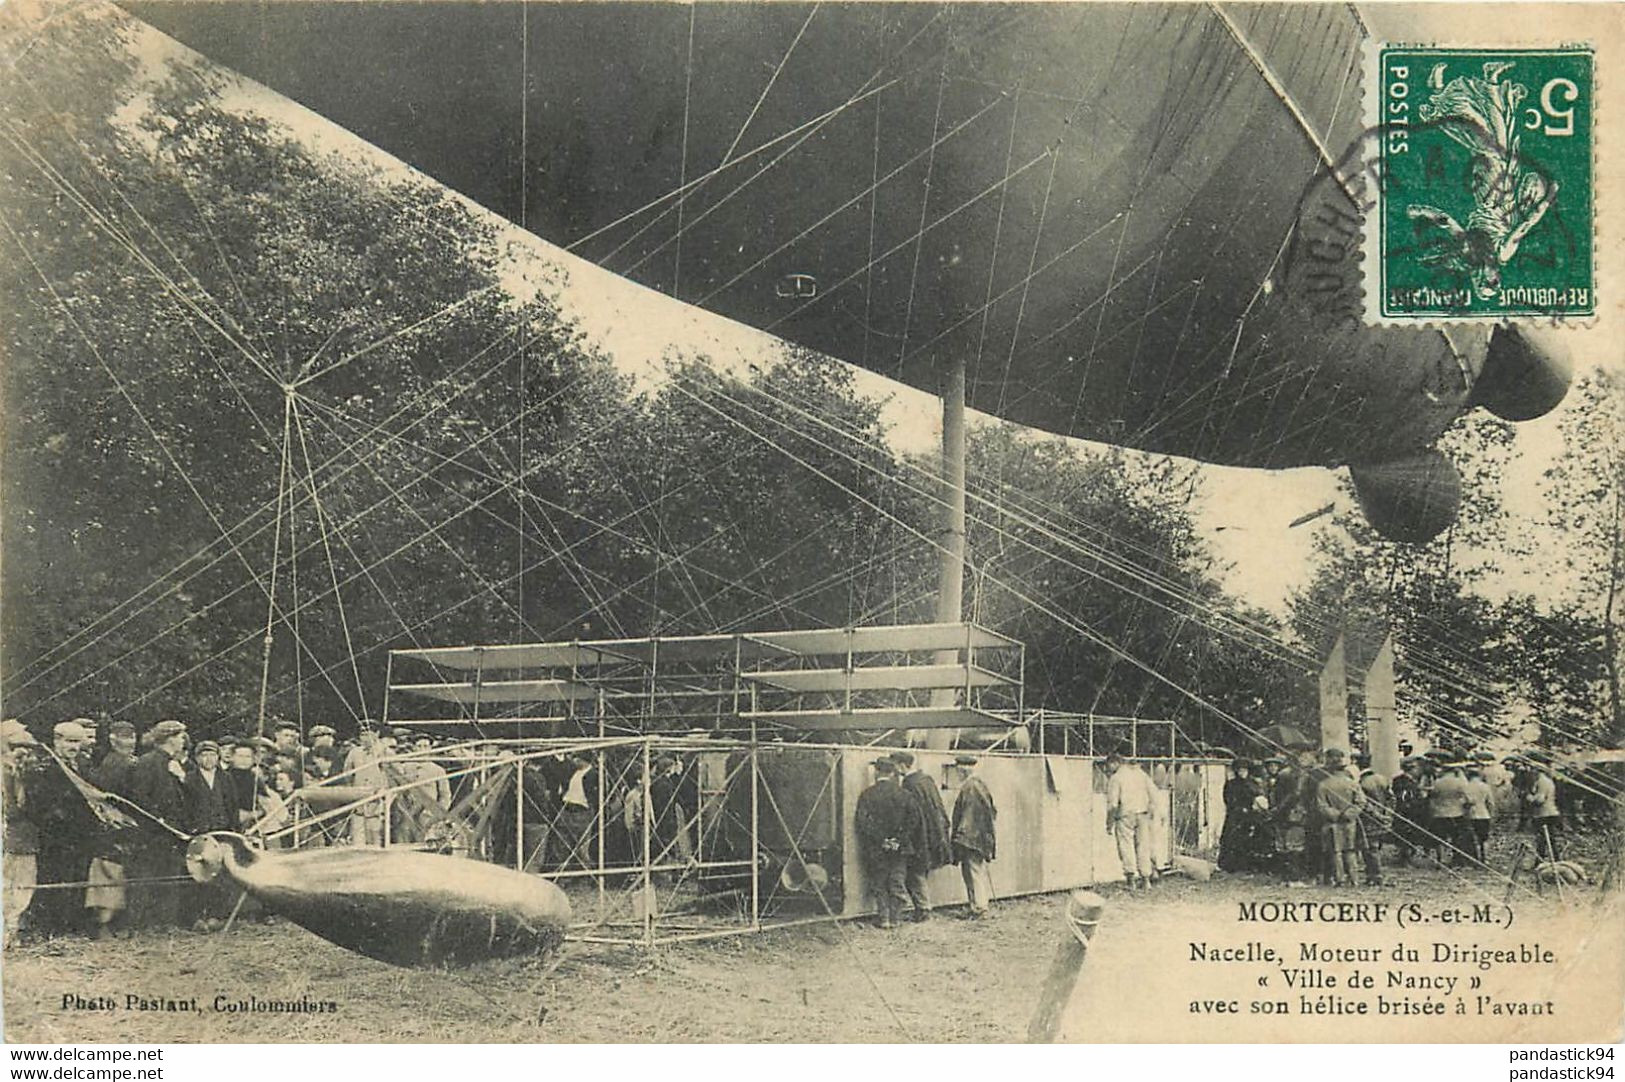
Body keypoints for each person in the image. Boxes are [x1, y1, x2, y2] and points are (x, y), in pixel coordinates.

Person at [27, 720, 99, 935]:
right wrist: (59, 819)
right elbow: (38, 804)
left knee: (79, 877)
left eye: (78, 742)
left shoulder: (82, 766)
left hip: (81, 834)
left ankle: (73, 923)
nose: (74, 747)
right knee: (55, 877)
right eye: (70, 742)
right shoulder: (45, 767)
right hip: (57, 836)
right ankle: (51, 927)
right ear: (57, 740)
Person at [126, 720, 190, 928]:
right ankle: (137, 925)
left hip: (173, 831)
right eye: (180, 737)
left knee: (170, 876)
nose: (183, 741)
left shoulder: (175, 763)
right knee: (146, 877)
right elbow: (139, 796)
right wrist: (157, 819)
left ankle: (166, 923)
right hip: (152, 832)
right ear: (170, 738)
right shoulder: (147, 762)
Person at [852, 758, 919, 929]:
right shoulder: (904, 794)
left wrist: (882, 840)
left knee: (879, 882)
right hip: (899, 848)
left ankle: (884, 919)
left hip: (876, 848)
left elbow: (863, 822)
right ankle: (896, 919)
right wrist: (898, 840)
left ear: (876, 772)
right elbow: (914, 821)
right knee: (897, 881)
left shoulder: (867, 795)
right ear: (892, 773)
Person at [890, 750, 952, 920]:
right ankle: (923, 907)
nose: (894, 769)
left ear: (902, 765)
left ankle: (924, 909)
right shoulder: (926, 780)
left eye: (895, 765)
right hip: (933, 833)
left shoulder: (909, 784)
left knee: (915, 872)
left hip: (919, 836)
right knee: (920, 870)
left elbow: (911, 815)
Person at [2, 720, 42, 947]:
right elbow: (15, 808)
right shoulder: (11, 770)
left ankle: (11, 930)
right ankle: (10, 931)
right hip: (18, 836)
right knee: (19, 882)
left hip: (17, 835)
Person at [950, 755, 996, 918]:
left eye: (958, 770)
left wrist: (962, 836)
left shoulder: (971, 787)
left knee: (973, 872)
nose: (957, 773)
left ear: (963, 769)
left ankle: (980, 908)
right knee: (971, 872)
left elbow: (970, 815)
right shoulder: (978, 785)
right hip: (977, 837)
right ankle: (975, 906)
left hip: (971, 839)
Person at [1104, 751, 1158, 889]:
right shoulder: (1140, 774)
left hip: (1125, 815)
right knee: (1143, 846)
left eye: (1109, 766)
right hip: (1142, 813)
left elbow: (1113, 804)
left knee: (1126, 846)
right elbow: (1154, 793)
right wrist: (1151, 810)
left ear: (1114, 763)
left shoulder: (1116, 778)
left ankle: (1131, 880)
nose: (1108, 769)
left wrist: (1109, 823)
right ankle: (1146, 879)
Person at [1314, 748, 1366, 887]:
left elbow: (1321, 805)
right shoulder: (1353, 783)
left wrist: (1334, 814)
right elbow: (1361, 802)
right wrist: (1349, 813)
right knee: (1350, 850)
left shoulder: (1323, 784)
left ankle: (1340, 879)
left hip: (1332, 823)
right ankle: (1355, 879)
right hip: (1350, 822)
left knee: (1336, 851)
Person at [1218, 759, 1271, 872]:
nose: (1241, 773)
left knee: (1248, 839)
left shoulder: (1253, 784)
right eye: (1239, 770)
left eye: (1244, 770)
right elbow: (1228, 799)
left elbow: (1258, 796)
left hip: (1250, 815)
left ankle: (1246, 864)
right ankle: (1229, 865)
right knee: (1231, 838)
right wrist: (1238, 808)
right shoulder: (1231, 784)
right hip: (1235, 814)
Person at [343, 725, 389, 847]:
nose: (364, 737)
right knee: (357, 835)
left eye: (367, 733)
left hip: (377, 801)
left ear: (377, 733)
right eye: (362, 734)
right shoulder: (355, 752)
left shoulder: (385, 751)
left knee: (375, 835)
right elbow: (347, 773)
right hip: (359, 799)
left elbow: (392, 775)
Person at [1428, 759, 1474, 866]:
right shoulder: (1459, 783)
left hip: (1440, 813)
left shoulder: (1438, 782)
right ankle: (1456, 859)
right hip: (1456, 812)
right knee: (1456, 837)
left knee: (1439, 837)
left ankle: (1440, 859)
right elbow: (1467, 797)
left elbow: (1433, 795)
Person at [1353, 753, 1390, 886]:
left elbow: (1365, 804)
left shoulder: (1362, 783)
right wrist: (1387, 813)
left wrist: (1376, 815)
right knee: (1375, 846)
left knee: (1369, 847)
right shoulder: (1382, 778)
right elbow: (1391, 798)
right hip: (1383, 815)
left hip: (1369, 818)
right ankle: (1374, 873)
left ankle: (1374, 875)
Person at [1520, 758, 1564, 861]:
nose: (1531, 772)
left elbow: (1540, 800)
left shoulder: (1542, 782)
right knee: (1545, 840)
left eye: (1532, 769)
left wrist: (1528, 797)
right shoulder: (1542, 781)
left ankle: (1545, 860)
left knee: (1544, 839)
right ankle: (1545, 860)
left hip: (1545, 814)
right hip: (1547, 813)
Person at [1390, 756, 1431, 865]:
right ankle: (1405, 858)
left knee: (1406, 834)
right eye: (1417, 769)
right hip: (1408, 812)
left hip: (1403, 811)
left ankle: (1405, 856)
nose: (1419, 771)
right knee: (1407, 835)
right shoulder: (1407, 783)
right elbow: (1406, 798)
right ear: (1411, 769)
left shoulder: (1399, 780)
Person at [1463, 763, 1494, 865]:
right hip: (1484, 814)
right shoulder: (1485, 786)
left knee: (1474, 838)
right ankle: (1485, 858)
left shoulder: (1466, 787)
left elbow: (1464, 802)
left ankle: (1475, 858)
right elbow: (1490, 802)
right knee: (1484, 838)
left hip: (1470, 815)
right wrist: (1491, 814)